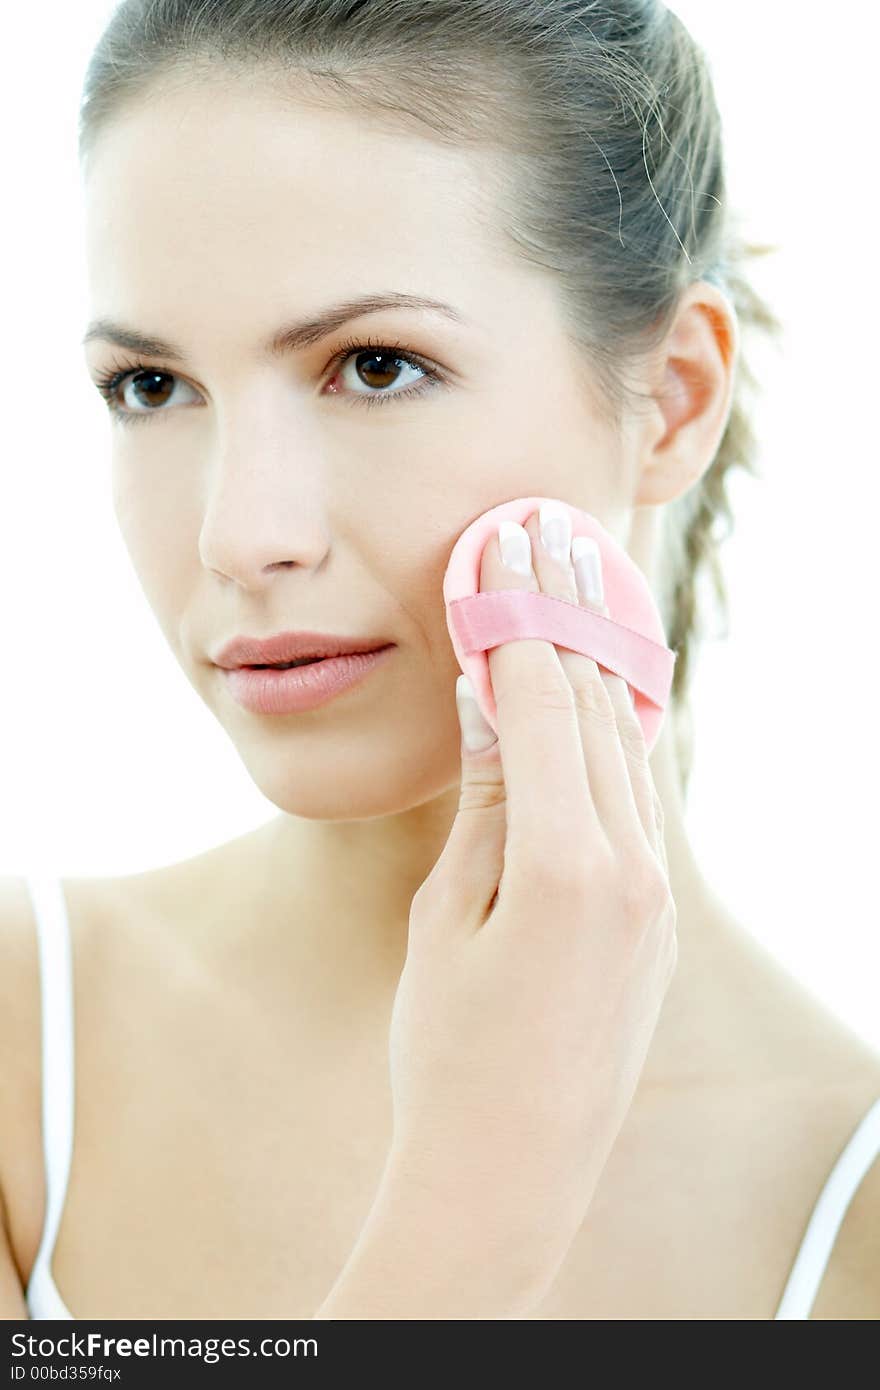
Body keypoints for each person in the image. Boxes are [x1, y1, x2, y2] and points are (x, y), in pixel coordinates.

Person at [2, 0, 878, 1321]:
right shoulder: (25, 1044)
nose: (244, 535)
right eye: (150, 386)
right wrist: (475, 1207)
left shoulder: (845, 1204)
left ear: (675, 397)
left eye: (375, 364)